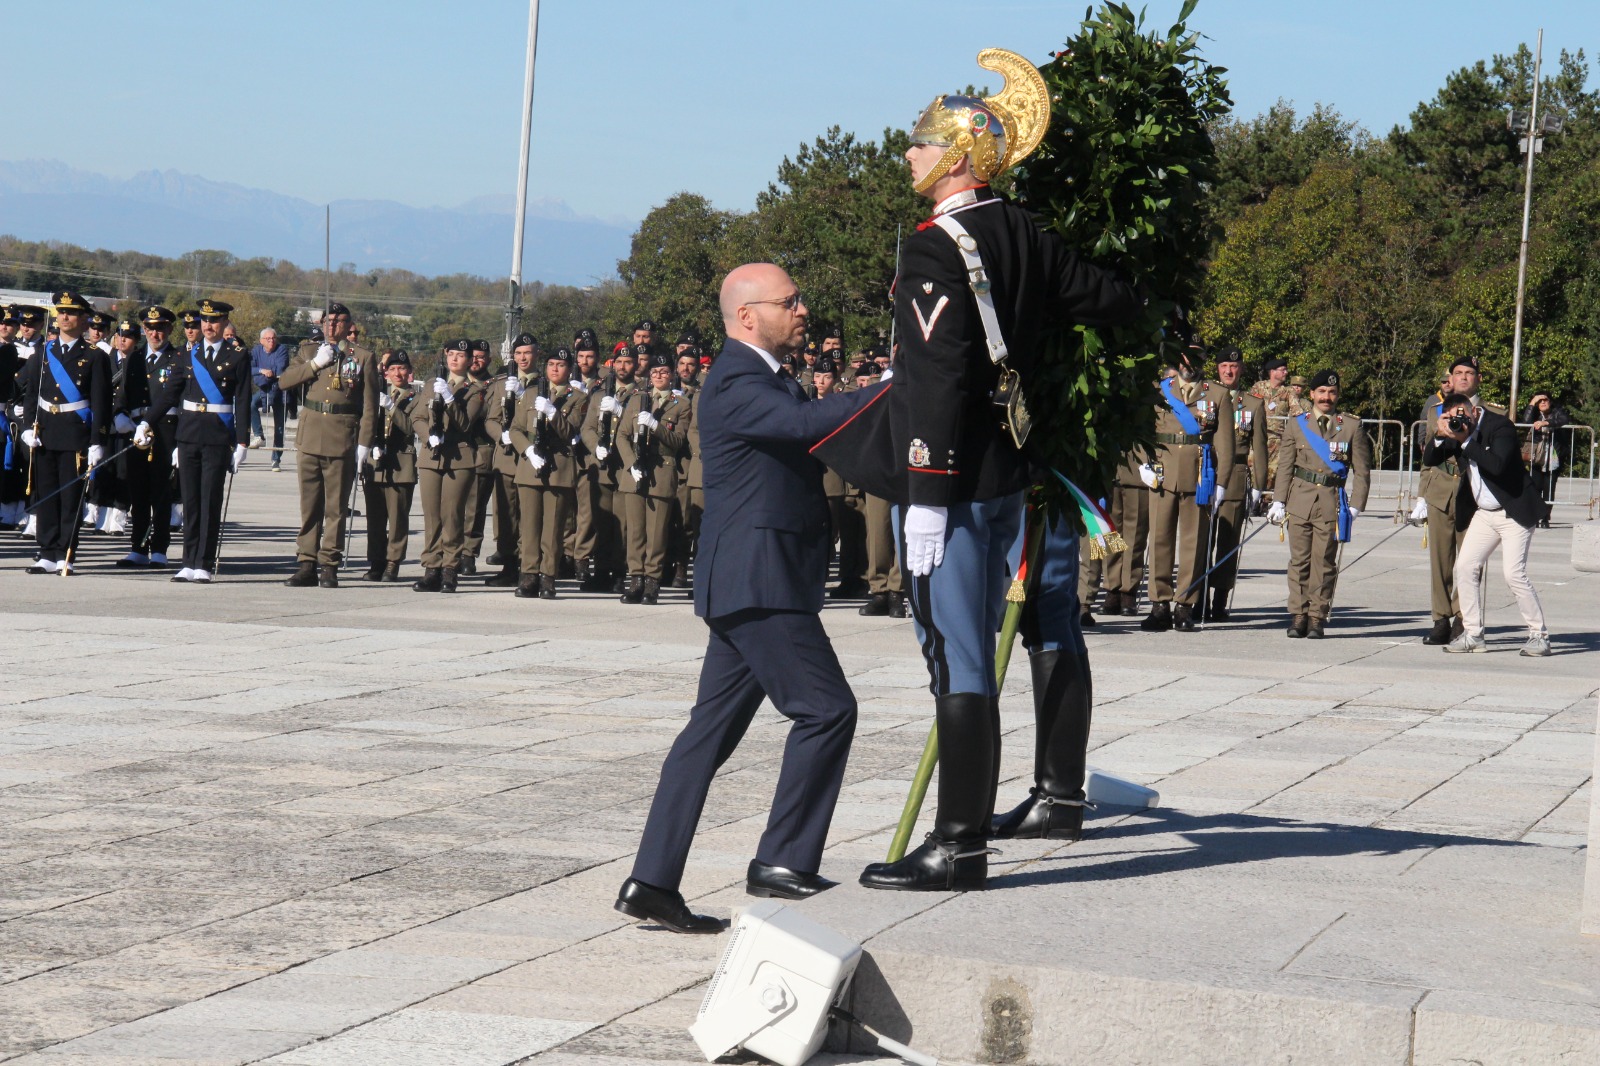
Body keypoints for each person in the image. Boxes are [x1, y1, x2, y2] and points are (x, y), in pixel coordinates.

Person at [818, 53, 1142, 892]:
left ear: (960, 156)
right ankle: (1029, 808)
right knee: (1008, 639)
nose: (910, 155)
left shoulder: (936, 249)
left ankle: (958, 845)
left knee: (957, 656)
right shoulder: (1026, 232)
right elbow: (1114, 301)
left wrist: (924, 493)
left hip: (955, 485)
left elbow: (936, 380)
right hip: (1010, 475)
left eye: (923, 143)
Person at [616, 263, 885, 933]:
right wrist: (893, 385)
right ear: (747, 316)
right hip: (761, 582)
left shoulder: (766, 376)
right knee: (827, 710)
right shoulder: (737, 378)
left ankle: (652, 880)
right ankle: (782, 860)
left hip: (753, 578)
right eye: (789, 301)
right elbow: (804, 424)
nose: (802, 309)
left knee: (705, 736)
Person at [1427, 392, 1550, 655]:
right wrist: (1440, 434)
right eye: (1452, 418)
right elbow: (1430, 460)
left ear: (1473, 411)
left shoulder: (1500, 426)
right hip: (1484, 513)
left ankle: (1539, 635)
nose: (1459, 422)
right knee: (1465, 566)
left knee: (1513, 574)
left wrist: (1465, 441)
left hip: (1513, 510)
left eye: (1462, 416)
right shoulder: (1457, 431)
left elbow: (1497, 465)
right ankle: (1473, 634)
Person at [144, 299, 251, 583]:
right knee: (190, 501)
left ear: (224, 322)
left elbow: (242, 400)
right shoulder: (185, 354)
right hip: (188, 435)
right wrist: (147, 421)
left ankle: (203, 562)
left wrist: (242, 442)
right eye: (204, 320)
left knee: (209, 501)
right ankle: (187, 562)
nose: (208, 326)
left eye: (214, 320)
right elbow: (170, 393)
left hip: (217, 436)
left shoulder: (238, 355)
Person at [279, 303, 380, 588]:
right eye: (328, 320)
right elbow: (285, 381)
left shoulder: (362, 357)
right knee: (309, 505)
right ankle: (306, 562)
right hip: (311, 435)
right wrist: (315, 364)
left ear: (349, 325)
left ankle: (329, 564)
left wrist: (364, 443)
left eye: (338, 320)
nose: (332, 325)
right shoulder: (309, 351)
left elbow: (370, 406)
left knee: (335, 507)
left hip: (342, 437)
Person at [1267, 369, 1372, 638]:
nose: (1327, 397)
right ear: (1312, 394)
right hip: (1299, 501)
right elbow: (1285, 466)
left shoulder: (1351, 426)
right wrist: (1278, 501)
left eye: (1332, 392)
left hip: (1331, 501)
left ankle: (1317, 616)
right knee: (1299, 562)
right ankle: (1298, 614)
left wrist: (1356, 505)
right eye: (1322, 392)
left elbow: (1362, 471)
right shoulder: (1297, 424)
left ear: (1338, 395)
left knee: (1324, 562)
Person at [1140, 352, 1234, 632]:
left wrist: (1221, 483)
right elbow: (1142, 430)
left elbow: (1225, 443)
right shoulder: (1159, 391)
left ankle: (1184, 605)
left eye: (1195, 360)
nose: (1189, 366)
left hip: (1199, 476)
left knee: (1194, 543)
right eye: (1184, 359)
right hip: (1163, 474)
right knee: (1159, 540)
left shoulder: (1217, 394)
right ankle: (1159, 604)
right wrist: (1143, 463)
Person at [18, 292, 112, 574]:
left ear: (83, 320)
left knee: (70, 497)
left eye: (71, 313)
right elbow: (31, 394)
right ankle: (47, 551)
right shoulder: (43, 352)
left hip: (75, 435)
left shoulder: (95, 356)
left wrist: (98, 440)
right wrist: (27, 427)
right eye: (61, 312)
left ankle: (65, 553)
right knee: (46, 494)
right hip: (45, 431)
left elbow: (101, 402)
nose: (64, 317)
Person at [1414, 357, 1501, 645]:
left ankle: (1463, 617)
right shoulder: (1436, 411)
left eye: (1469, 373)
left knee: (1470, 561)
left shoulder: (1493, 413)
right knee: (1440, 559)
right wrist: (1422, 495)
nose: (1463, 377)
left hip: (1473, 493)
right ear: (1450, 378)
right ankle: (1440, 618)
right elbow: (1428, 456)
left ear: (1479, 378)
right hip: (1440, 488)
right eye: (1458, 373)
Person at [509, 346, 587, 598]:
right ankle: (528, 575)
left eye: (561, 365)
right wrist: (527, 450)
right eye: (551, 364)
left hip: (558, 468)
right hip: (530, 466)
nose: (555, 369)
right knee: (529, 527)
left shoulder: (578, 398)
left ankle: (548, 576)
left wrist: (553, 413)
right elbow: (515, 429)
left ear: (569, 369)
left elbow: (570, 432)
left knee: (553, 529)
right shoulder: (530, 394)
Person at [616, 348, 691, 605]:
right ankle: (636, 580)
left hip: (661, 471)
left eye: (664, 372)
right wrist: (630, 463)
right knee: (635, 531)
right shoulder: (637, 399)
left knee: (656, 533)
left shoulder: (682, 405)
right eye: (655, 372)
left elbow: (677, 441)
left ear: (672, 375)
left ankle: (652, 582)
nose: (658, 376)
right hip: (635, 472)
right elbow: (622, 436)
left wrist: (655, 426)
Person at [411, 340, 486, 593]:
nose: (454, 359)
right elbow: (417, 417)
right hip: (431, 456)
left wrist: (449, 398)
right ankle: (432, 568)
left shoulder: (475, 390)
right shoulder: (432, 384)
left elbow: (464, 424)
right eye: (451, 354)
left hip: (459, 457)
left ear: (470, 360)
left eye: (460, 355)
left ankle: (450, 569)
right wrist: (427, 436)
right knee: (432, 515)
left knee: (452, 515)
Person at [1207, 347, 1268, 621]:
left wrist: (1258, 485)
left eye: (1234, 367)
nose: (1229, 371)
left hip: (1234, 475)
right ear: (1217, 369)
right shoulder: (1204, 396)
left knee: (1228, 543)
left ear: (1241, 369)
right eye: (1224, 367)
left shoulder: (1253, 404)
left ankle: (1219, 600)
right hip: (1206, 472)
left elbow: (1260, 448)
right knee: (1200, 541)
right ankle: (1196, 600)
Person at [120, 306, 182, 567]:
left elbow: (180, 400)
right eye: (150, 329)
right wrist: (119, 415)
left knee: (161, 493)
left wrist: (180, 441)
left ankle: (159, 549)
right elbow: (122, 392)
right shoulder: (134, 357)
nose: (155, 334)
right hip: (136, 431)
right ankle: (138, 547)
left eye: (160, 328)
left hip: (165, 430)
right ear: (144, 330)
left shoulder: (177, 358)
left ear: (169, 329)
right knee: (138, 493)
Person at [482, 336, 542, 587]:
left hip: (531, 458)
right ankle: (508, 565)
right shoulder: (501, 385)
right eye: (519, 353)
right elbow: (491, 420)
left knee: (530, 515)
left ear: (536, 354)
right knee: (506, 515)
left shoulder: (543, 384)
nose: (523, 358)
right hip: (507, 457)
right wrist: (501, 435)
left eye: (528, 352)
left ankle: (529, 567)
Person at [361, 351, 420, 582]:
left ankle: (393, 561)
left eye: (402, 369)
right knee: (375, 518)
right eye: (393, 369)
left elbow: (410, 427)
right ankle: (376, 561)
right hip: (376, 463)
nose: (398, 373)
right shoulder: (377, 394)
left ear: (409, 372)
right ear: (386, 373)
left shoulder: (415, 398)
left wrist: (391, 407)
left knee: (397, 519)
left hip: (400, 464)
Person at [459, 340, 497, 575]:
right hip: (455, 451)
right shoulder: (456, 383)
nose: (476, 361)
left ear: (489, 360)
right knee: (452, 507)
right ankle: (451, 550)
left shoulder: (494, 386)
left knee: (474, 508)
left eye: (481, 357)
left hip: (480, 452)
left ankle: (468, 553)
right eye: (472, 356)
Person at [1519, 391, 1568, 528]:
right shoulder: (1534, 413)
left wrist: (1546, 422)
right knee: (1535, 487)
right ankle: (1534, 516)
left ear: (1550, 401)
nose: (1543, 402)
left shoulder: (1557, 411)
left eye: (1545, 400)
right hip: (1536, 457)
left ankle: (1545, 518)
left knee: (1549, 488)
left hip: (1554, 457)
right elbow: (1526, 421)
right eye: (1539, 401)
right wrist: (1531, 403)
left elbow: (1563, 420)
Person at [250, 327, 291, 471]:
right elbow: (250, 368)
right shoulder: (256, 351)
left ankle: (276, 459)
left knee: (279, 428)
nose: (271, 341)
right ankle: (259, 435)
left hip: (280, 392)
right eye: (268, 339)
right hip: (264, 390)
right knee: (251, 404)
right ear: (261, 341)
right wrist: (262, 371)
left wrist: (265, 374)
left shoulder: (282, 349)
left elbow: (279, 369)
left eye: (273, 338)